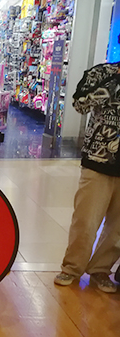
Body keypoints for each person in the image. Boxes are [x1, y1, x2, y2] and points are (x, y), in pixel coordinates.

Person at [54, 62, 120, 294]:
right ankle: (72, 267)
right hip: (98, 161)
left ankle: (101, 270)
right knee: (86, 220)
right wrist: (113, 83)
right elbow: (79, 103)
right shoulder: (101, 73)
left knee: (117, 228)